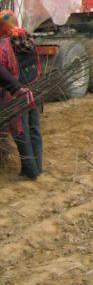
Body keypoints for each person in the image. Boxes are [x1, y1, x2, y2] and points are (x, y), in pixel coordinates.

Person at [0, 10, 42, 180]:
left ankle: (29, 172)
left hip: (17, 95)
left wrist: (15, 88)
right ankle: (39, 168)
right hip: (35, 90)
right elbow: (37, 63)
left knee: (20, 131)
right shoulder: (28, 39)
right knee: (34, 129)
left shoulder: (4, 45)